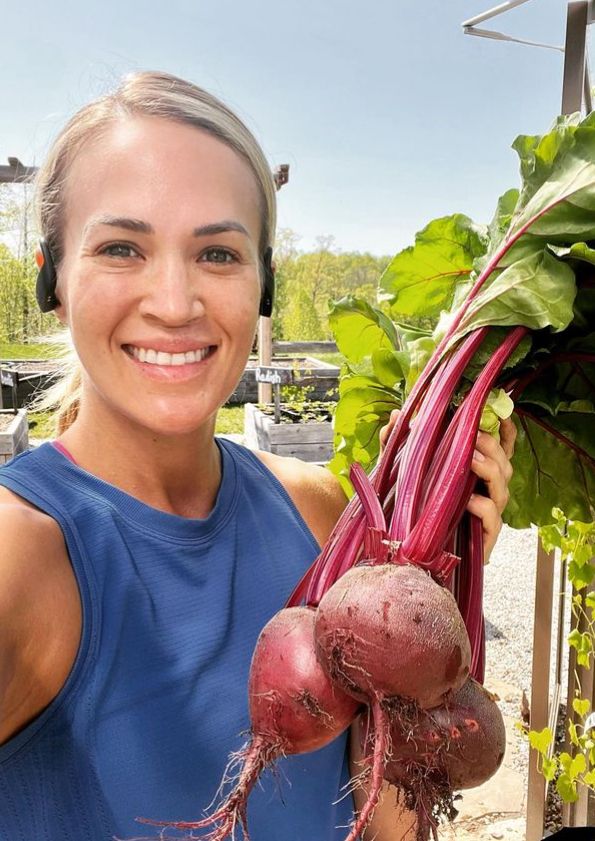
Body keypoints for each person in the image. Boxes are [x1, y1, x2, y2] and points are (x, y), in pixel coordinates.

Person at [0, 71, 515, 841]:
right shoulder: (22, 550)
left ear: (264, 283)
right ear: (53, 280)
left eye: (217, 253)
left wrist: (431, 606)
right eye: (120, 247)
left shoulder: (316, 509)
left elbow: (378, 825)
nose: (174, 301)